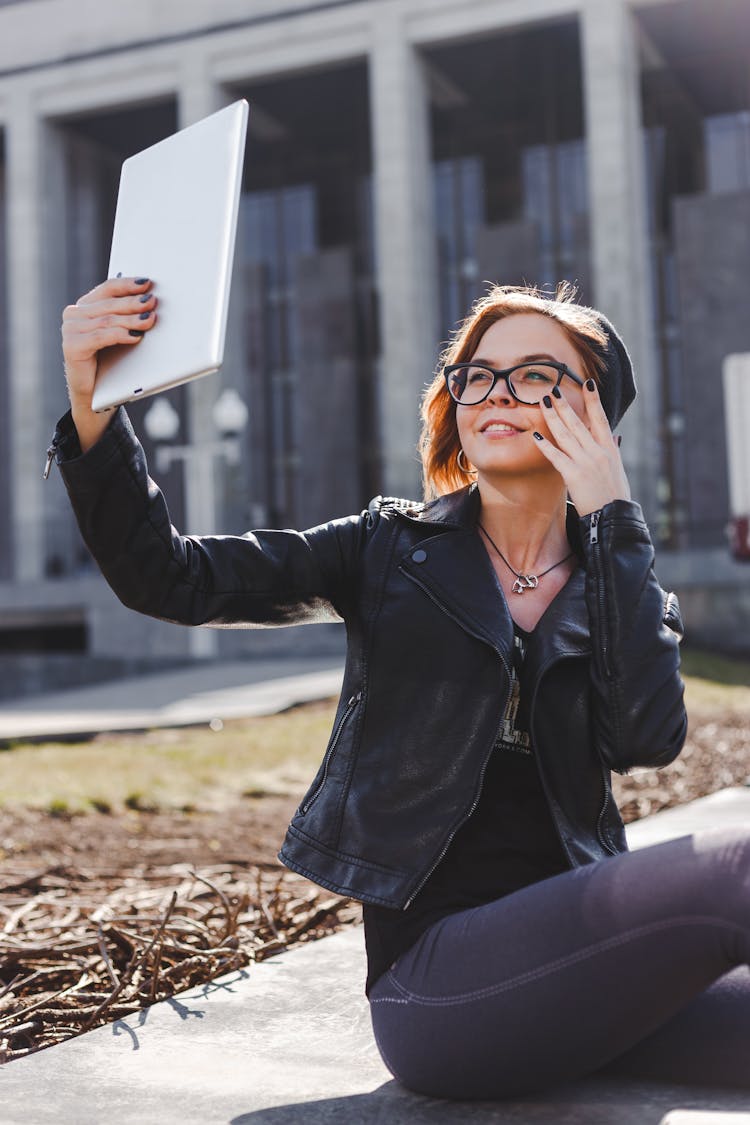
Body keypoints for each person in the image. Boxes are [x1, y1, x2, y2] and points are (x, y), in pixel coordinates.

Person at [54, 277, 750, 1100]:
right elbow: (169, 576)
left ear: (596, 414)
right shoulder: (389, 551)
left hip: (585, 976)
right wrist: (94, 406)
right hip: (442, 991)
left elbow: (646, 737)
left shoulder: (619, 585)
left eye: (535, 375)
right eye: (477, 374)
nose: (496, 391)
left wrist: (611, 516)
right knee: (735, 865)